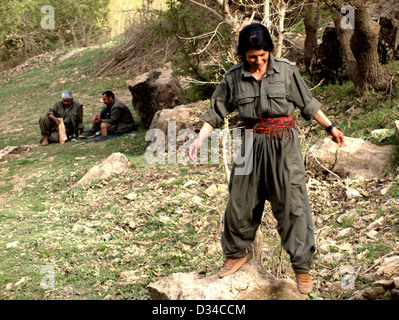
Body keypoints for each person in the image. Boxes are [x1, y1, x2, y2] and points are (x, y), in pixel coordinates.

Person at [188, 23, 344, 295]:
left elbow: (308, 103)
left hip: (282, 143)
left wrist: (330, 128)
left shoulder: (286, 70)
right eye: (252, 57)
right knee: (240, 201)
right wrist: (200, 139)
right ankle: (236, 253)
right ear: (242, 55)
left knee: (292, 203)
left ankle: (302, 266)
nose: (258, 61)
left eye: (262, 55)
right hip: (250, 142)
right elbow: (216, 110)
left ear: (269, 51)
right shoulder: (233, 78)